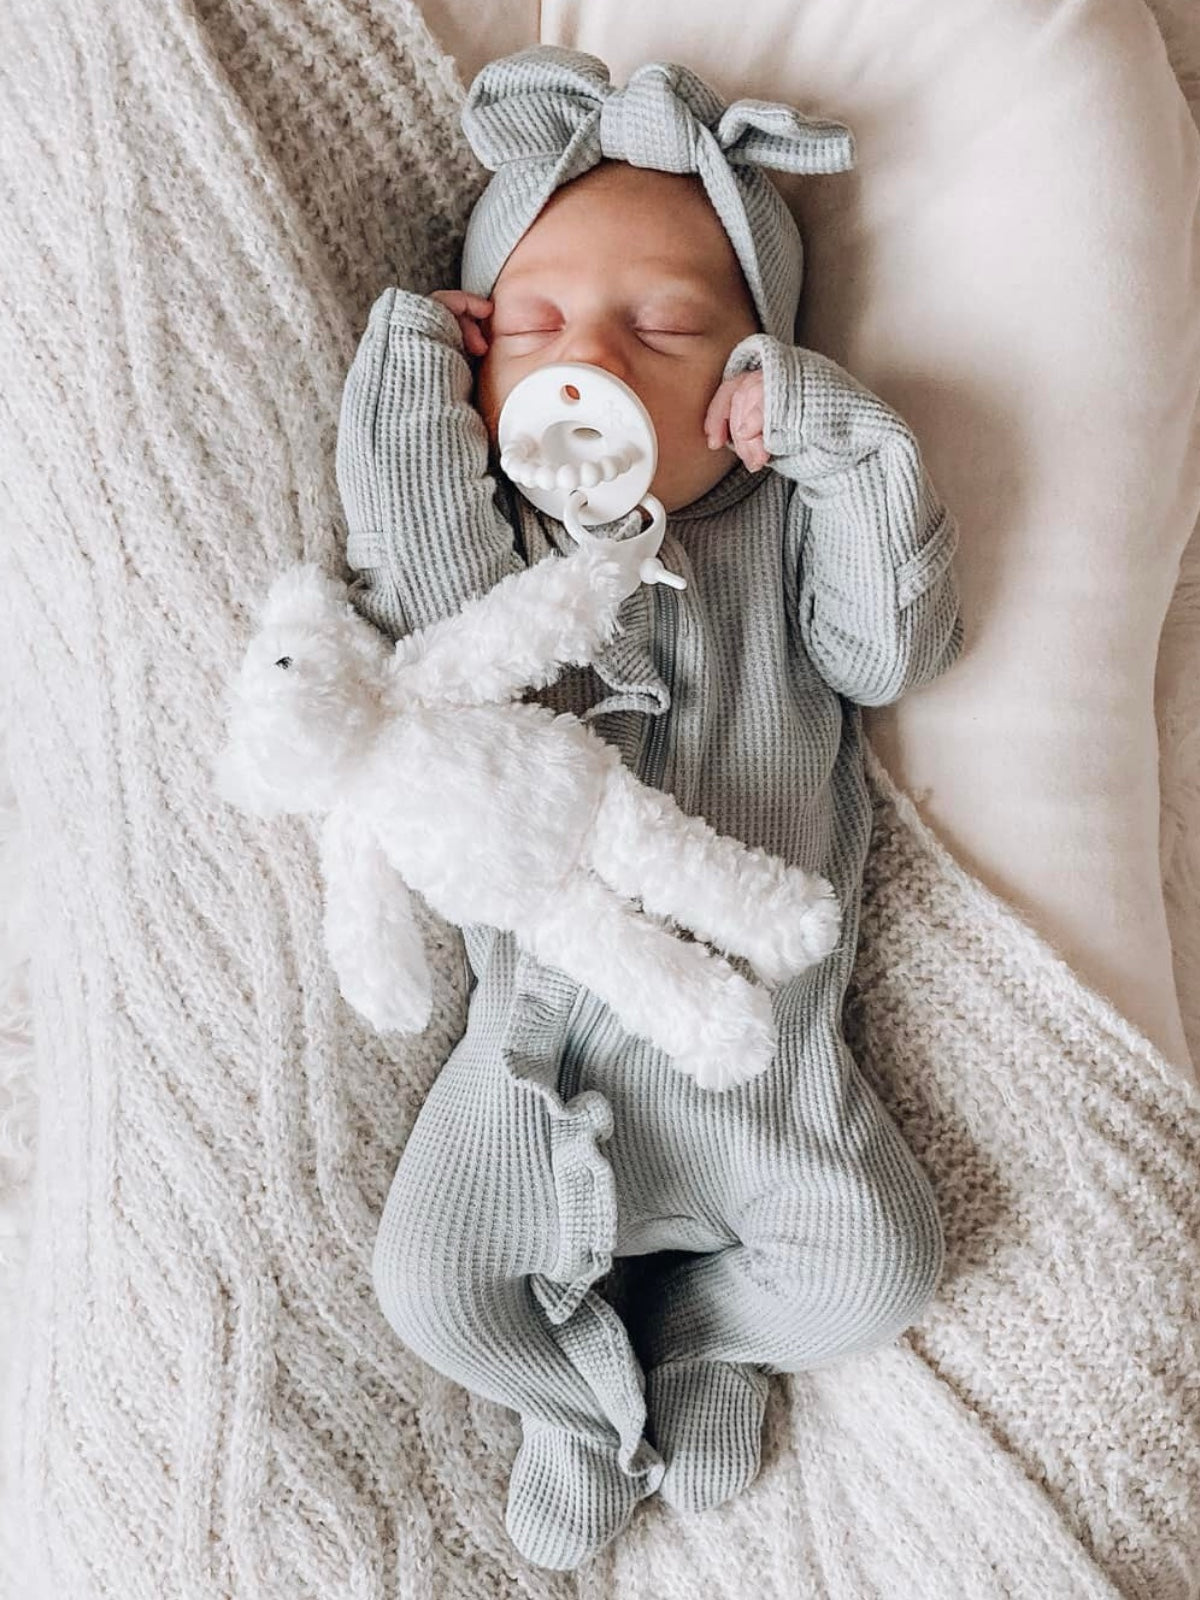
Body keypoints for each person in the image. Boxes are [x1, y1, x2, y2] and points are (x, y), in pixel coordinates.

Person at [336, 45, 964, 1572]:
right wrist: (412, 362)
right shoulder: (510, 563)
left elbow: (894, 646)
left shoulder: (772, 535)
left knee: (882, 1271)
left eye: (667, 326)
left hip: (764, 1074)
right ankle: (585, 1402)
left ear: (748, 374)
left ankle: (701, 1345)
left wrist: (840, 445)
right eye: (535, 328)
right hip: (533, 1064)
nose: (593, 363)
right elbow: (413, 583)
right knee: (431, 1292)